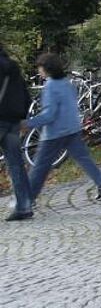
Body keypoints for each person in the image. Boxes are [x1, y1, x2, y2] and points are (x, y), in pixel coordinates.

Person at [25, 52, 101, 204]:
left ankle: (28, 199)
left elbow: (49, 115)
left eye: (40, 67)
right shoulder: (67, 83)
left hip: (54, 134)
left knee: (40, 167)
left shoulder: (50, 86)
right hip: (73, 128)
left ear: (47, 68)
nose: (39, 71)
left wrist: (28, 123)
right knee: (84, 159)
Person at [0, 41, 32, 220]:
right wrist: (23, 117)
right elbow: (25, 93)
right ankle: (24, 205)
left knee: (15, 164)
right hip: (14, 120)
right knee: (16, 164)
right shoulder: (12, 66)